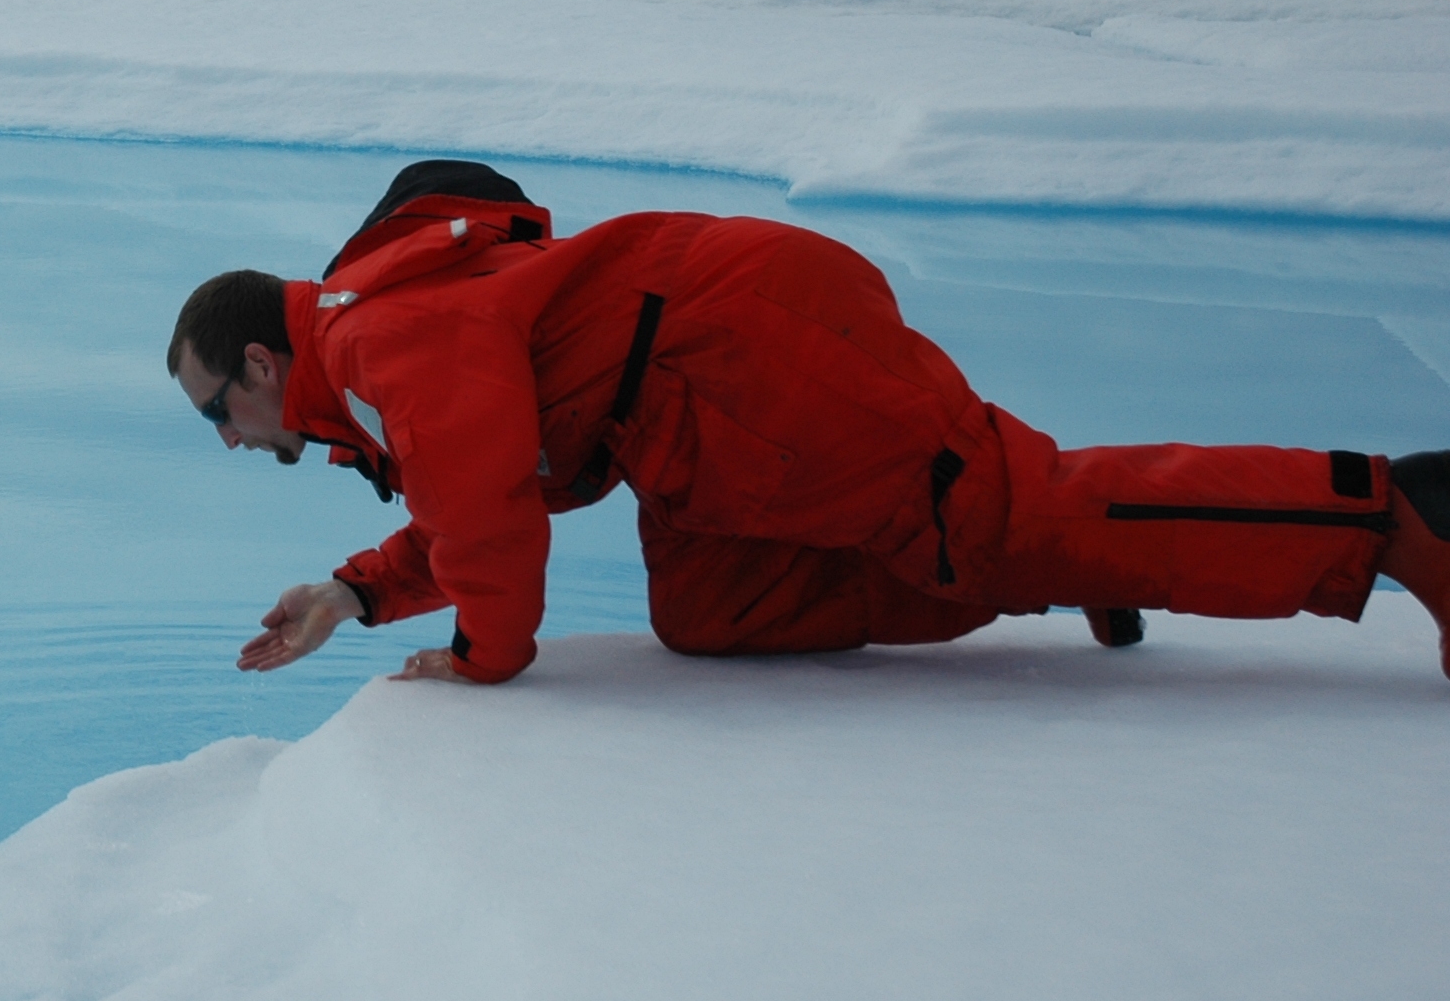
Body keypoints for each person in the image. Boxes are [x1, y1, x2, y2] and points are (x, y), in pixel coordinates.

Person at [170, 161, 1450, 686]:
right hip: (698, 421)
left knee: (1008, 516)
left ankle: (1390, 512)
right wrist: (349, 589)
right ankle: (1048, 571)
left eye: (216, 407)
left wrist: (484, 656)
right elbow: (479, 479)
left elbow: (489, 511)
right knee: (711, 615)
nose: (225, 438)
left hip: (750, 352)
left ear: (259, 358)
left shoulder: (371, 338)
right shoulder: (366, 344)